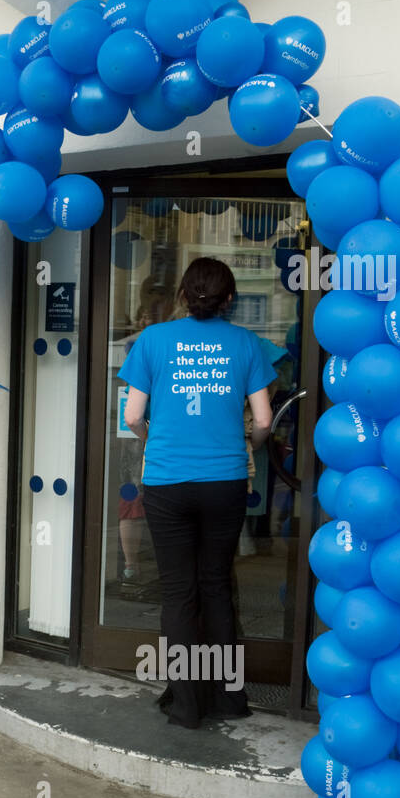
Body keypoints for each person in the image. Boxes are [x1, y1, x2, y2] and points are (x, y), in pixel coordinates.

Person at [117, 257, 274, 730]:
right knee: (216, 586)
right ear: (229, 300)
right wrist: (249, 445)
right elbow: (264, 420)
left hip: (167, 482)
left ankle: (185, 703)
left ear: (184, 295)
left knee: (178, 592)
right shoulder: (247, 344)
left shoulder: (152, 341)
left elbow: (131, 417)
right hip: (224, 481)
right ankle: (228, 699)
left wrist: (158, 441)